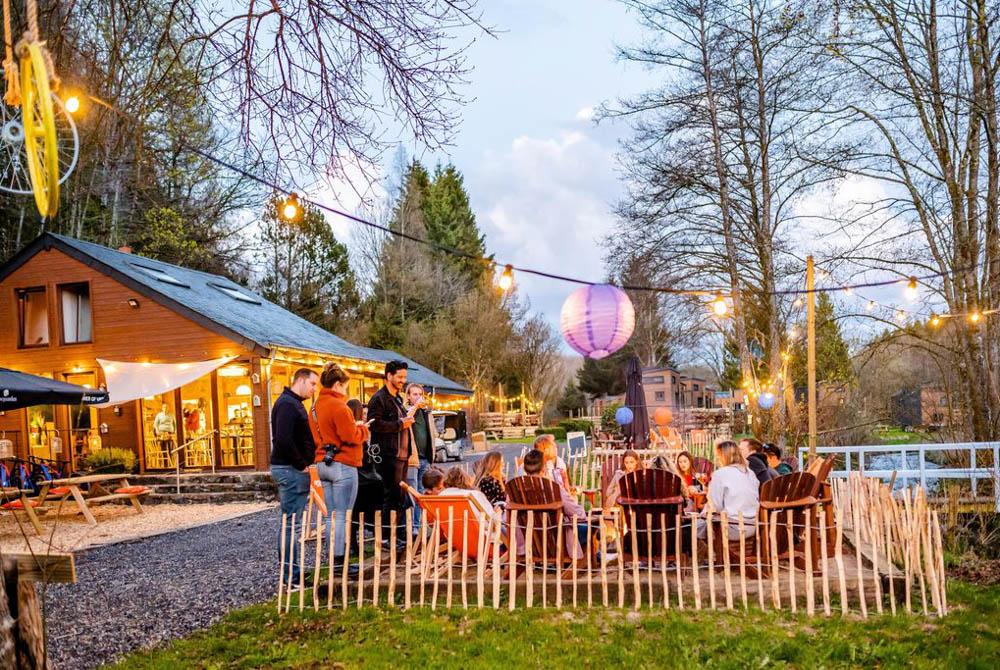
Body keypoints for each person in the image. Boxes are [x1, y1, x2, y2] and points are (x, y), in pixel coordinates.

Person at [311, 362, 370, 565]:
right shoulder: (339, 406)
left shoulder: (315, 407)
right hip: (343, 463)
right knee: (343, 515)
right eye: (344, 387)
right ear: (337, 384)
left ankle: (332, 556)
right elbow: (350, 436)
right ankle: (340, 560)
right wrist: (362, 429)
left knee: (330, 515)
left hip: (323, 462)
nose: (345, 391)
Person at [270, 368, 319, 584]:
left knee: (292, 523)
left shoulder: (292, 403)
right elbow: (283, 439)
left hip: (293, 468)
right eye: (312, 384)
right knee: (291, 523)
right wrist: (301, 465)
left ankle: (293, 571)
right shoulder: (288, 405)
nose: (314, 389)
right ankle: (290, 575)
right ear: (300, 380)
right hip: (291, 469)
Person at [367, 360, 415, 539]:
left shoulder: (397, 399)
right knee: (391, 496)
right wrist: (399, 424)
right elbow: (374, 424)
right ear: (389, 376)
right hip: (388, 455)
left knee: (400, 496)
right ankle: (386, 536)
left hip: (401, 455)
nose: (403, 380)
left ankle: (399, 533)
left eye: (404, 377)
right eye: (400, 377)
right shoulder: (379, 399)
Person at [521, 449, 586, 558]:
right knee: (590, 527)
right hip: (557, 541)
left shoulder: (516, 489)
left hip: (530, 543)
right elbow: (576, 512)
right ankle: (597, 557)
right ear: (543, 468)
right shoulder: (552, 488)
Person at [697, 440, 759, 540]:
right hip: (752, 527)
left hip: (732, 527)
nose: (717, 459)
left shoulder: (720, 474)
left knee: (695, 527)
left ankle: (708, 554)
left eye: (719, 456)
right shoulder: (750, 473)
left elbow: (715, 506)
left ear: (724, 456)